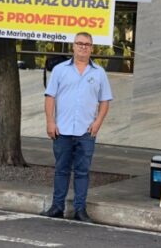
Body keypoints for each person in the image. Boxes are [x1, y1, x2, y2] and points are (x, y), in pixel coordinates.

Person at [40, 32, 112, 223]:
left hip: (86, 131)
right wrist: (50, 121)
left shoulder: (99, 73)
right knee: (61, 169)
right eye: (79, 43)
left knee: (82, 172)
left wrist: (98, 122)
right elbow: (50, 97)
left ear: (92, 48)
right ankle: (57, 207)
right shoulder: (60, 70)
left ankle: (80, 209)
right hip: (62, 130)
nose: (83, 47)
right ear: (73, 46)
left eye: (87, 44)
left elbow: (105, 101)